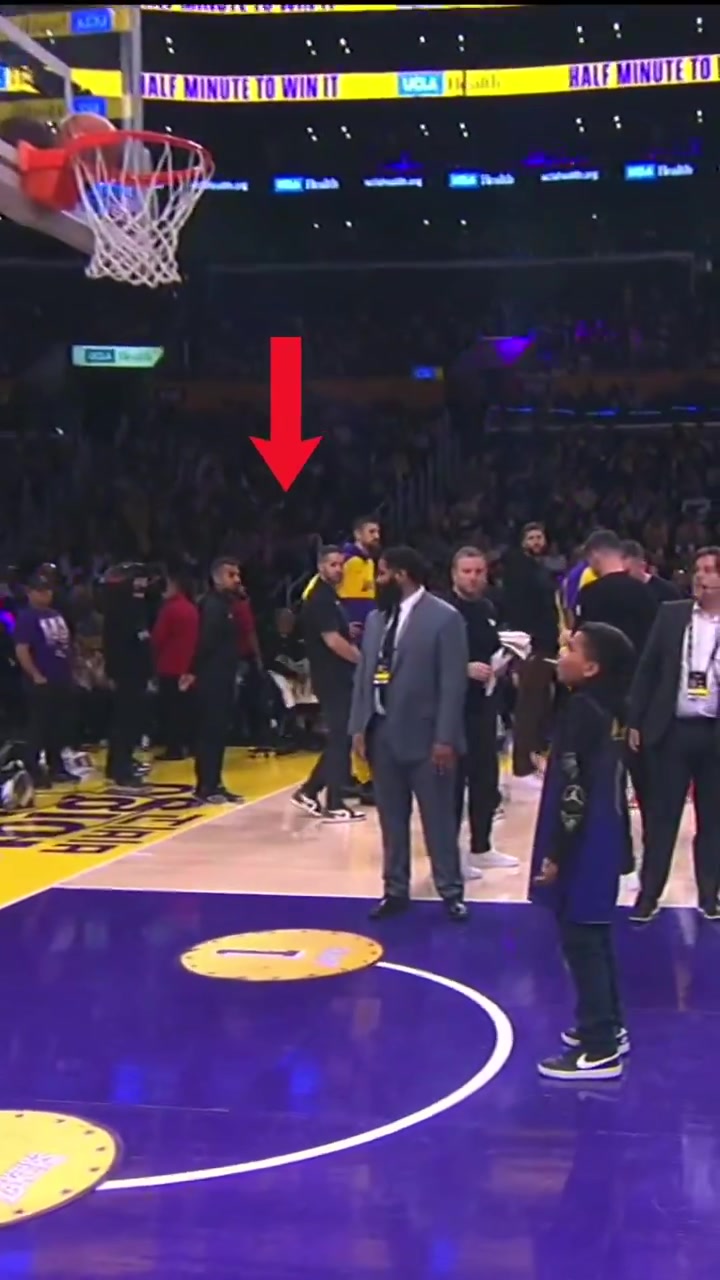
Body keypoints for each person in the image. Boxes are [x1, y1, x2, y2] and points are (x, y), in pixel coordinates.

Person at [530, 622, 636, 1081]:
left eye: (571, 648)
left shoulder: (581, 712)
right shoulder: (610, 707)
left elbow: (575, 792)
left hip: (585, 839)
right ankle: (609, 1024)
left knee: (581, 939)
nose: (562, 653)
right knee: (595, 934)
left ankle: (600, 1048)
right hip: (605, 833)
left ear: (591, 667)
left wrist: (556, 853)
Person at [349, 546, 469, 922]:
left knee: (438, 821)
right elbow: (364, 676)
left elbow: (453, 683)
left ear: (401, 575)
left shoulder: (445, 618)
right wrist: (358, 726)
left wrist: (445, 738)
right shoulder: (375, 620)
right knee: (391, 821)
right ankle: (395, 890)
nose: (377, 581)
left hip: (428, 738)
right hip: (382, 733)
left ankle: (450, 891)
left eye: (382, 573)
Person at [627, 547, 720, 922]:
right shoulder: (672, 614)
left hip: (715, 734)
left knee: (713, 821)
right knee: (661, 819)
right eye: (698, 569)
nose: (702, 576)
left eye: (710, 570)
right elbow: (647, 669)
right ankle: (648, 895)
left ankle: (710, 895)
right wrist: (635, 719)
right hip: (673, 731)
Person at [450, 547, 518, 877]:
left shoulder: (488, 608)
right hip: (452, 710)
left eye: (479, 572)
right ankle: (450, 855)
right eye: (467, 571)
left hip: (485, 705)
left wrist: (505, 662)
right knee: (453, 785)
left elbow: (492, 649)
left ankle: (482, 847)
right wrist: (462, 668)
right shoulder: (443, 611)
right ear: (454, 574)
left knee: (485, 779)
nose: (473, 578)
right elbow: (427, 657)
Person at [292, 546, 364, 823]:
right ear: (321, 567)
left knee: (341, 737)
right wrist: (362, 661)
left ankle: (309, 791)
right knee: (340, 737)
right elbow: (332, 641)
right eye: (332, 564)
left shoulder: (331, 597)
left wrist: (348, 630)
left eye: (341, 564)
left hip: (336, 675)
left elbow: (334, 632)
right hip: (331, 676)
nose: (338, 569)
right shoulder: (321, 597)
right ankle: (333, 803)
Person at [186, 557, 244, 806]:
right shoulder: (212, 606)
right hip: (212, 679)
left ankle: (215, 782)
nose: (237, 579)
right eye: (231, 575)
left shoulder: (226, 605)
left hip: (224, 676)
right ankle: (205, 786)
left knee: (219, 733)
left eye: (238, 574)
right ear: (217, 578)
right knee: (210, 733)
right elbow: (205, 643)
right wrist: (194, 671)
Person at [503, 523, 559, 783]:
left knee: (539, 702)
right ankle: (523, 763)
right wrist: (526, 644)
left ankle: (532, 756)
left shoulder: (540, 568)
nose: (536, 542)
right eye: (531, 538)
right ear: (523, 542)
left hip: (545, 642)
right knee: (529, 703)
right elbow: (519, 608)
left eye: (540, 537)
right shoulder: (519, 568)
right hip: (531, 644)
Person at [14, 570, 75, 787]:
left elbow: (66, 645)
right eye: (40, 591)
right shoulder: (27, 617)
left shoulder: (56, 614)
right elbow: (22, 649)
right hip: (41, 680)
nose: (45, 594)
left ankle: (57, 766)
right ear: (30, 593)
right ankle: (33, 769)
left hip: (61, 677)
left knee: (58, 725)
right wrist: (35, 674)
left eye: (48, 590)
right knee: (39, 726)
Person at [102, 564, 153, 789]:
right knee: (126, 721)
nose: (143, 585)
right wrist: (113, 671)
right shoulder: (123, 607)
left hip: (134, 671)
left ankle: (119, 763)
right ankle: (121, 770)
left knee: (128, 720)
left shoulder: (136, 606)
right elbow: (116, 643)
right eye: (139, 580)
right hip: (127, 672)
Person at [151, 571, 199, 760]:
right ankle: (191, 745)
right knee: (187, 708)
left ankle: (175, 749)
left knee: (170, 710)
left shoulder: (170, 609)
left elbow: (158, 638)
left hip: (169, 666)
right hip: (188, 666)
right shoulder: (192, 608)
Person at [620, 540, 682, 608]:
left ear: (642, 565)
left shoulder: (667, 592)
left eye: (626, 571)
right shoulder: (618, 594)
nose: (622, 577)